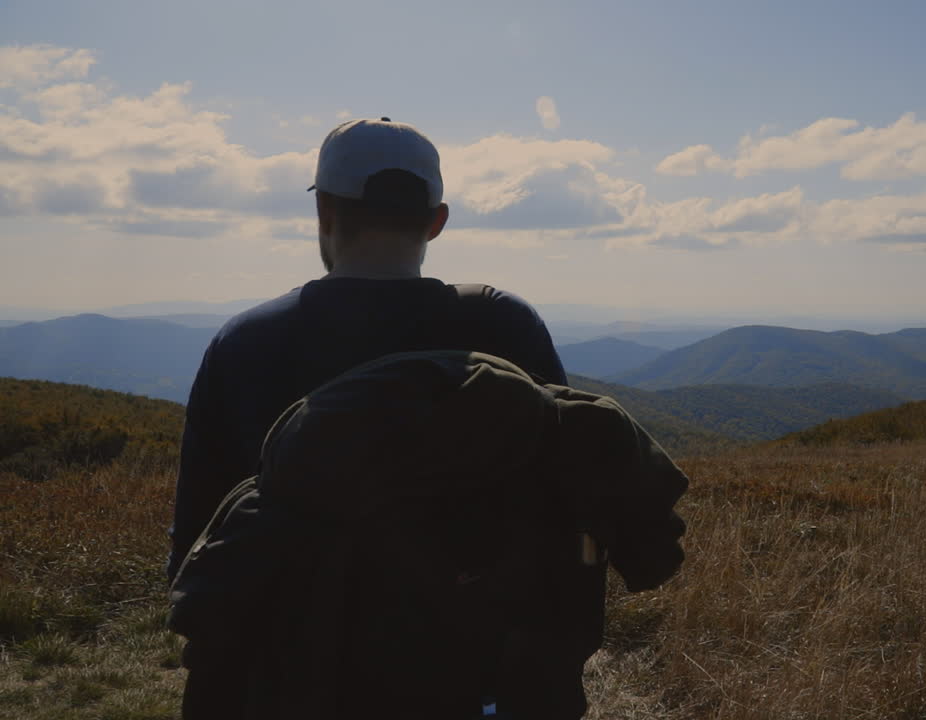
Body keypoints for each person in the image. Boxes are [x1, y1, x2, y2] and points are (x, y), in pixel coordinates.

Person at [168, 117, 682, 718]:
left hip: (302, 679)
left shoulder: (247, 344)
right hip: (490, 677)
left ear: (324, 211)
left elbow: (199, 538)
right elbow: (563, 489)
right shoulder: (504, 327)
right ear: (437, 220)